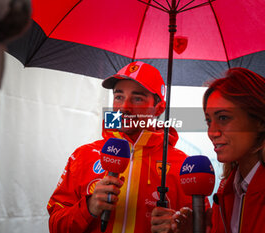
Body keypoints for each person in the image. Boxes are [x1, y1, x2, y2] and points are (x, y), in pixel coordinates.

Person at [150, 67, 265, 233]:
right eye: (208, 121)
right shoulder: (226, 190)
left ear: (261, 121)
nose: (212, 132)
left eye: (223, 118)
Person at [47, 61, 192, 233]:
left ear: (159, 108)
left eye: (137, 98)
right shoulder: (83, 155)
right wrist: (88, 207)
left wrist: (182, 228)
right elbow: (56, 226)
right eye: (119, 96)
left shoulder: (184, 165)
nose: (124, 108)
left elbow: (202, 226)